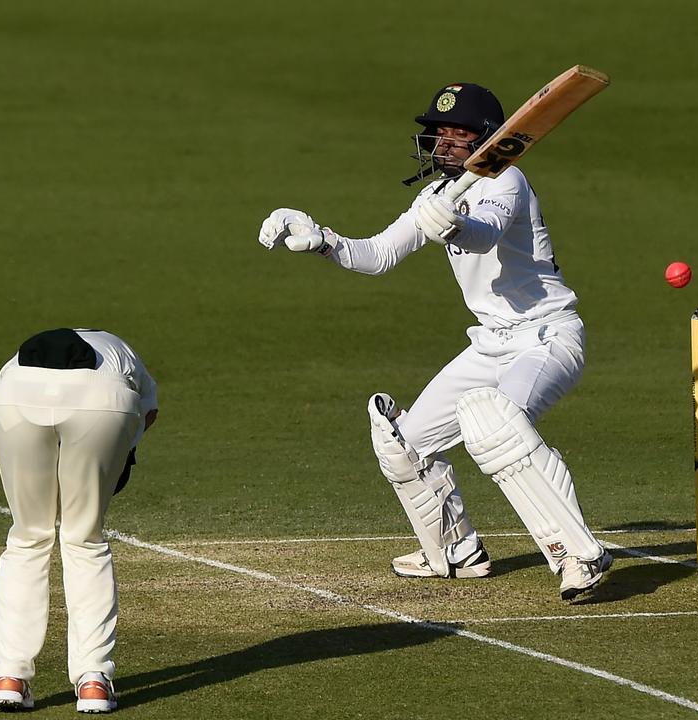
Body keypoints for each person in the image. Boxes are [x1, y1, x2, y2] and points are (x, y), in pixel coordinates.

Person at [257, 82, 612, 600]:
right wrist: (322, 241)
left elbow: (484, 233)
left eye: (457, 133)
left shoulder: (506, 180)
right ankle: (454, 550)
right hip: (492, 343)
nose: (443, 143)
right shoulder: (437, 196)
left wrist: (454, 226)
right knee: (405, 443)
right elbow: (377, 255)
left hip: (546, 338)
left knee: (494, 427)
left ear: (489, 139)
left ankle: (579, 554)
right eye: (438, 132)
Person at [0, 328, 158, 712]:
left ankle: (10, 677)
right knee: (85, 538)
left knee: (28, 536)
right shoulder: (135, 375)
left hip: (15, 397)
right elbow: (146, 415)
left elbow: (1, 434)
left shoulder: (11, 369)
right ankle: (94, 681)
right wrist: (122, 456)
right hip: (105, 403)